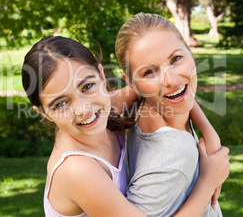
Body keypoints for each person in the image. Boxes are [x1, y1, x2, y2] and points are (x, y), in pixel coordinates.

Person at [22, 36, 229, 217]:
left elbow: (170, 90)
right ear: (43, 113)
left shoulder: (103, 109)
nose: (82, 110)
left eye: (86, 86)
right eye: (60, 104)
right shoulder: (78, 169)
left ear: (101, 75)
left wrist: (210, 135)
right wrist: (208, 181)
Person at [115, 12, 225, 216]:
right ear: (130, 82)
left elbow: (181, 91)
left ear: (189, 51)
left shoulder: (143, 104)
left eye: (175, 59)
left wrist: (210, 133)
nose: (171, 79)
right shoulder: (174, 153)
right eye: (149, 72)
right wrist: (209, 181)